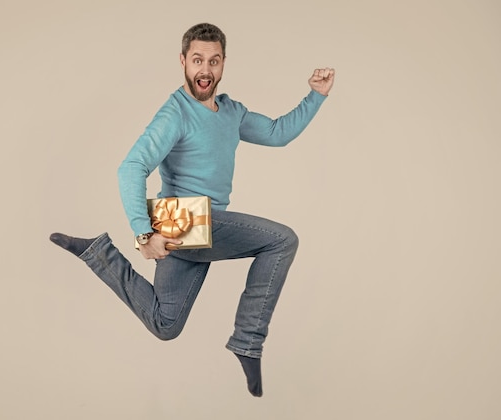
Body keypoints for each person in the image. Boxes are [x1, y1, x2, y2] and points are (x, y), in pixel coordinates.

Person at [50, 22, 335, 397]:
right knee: (282, 241)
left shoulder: (231, 112)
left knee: (165, 324)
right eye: (197, 60)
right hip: (184, 221)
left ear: (223, 64)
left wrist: (315, 96)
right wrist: (143, 233)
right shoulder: (176, 113)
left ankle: (97, 253)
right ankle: (247, 340)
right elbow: (131, 167)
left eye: (214, 61)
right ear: (183, 61)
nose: (206, 69)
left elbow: (278, 133)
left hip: (191, 229)